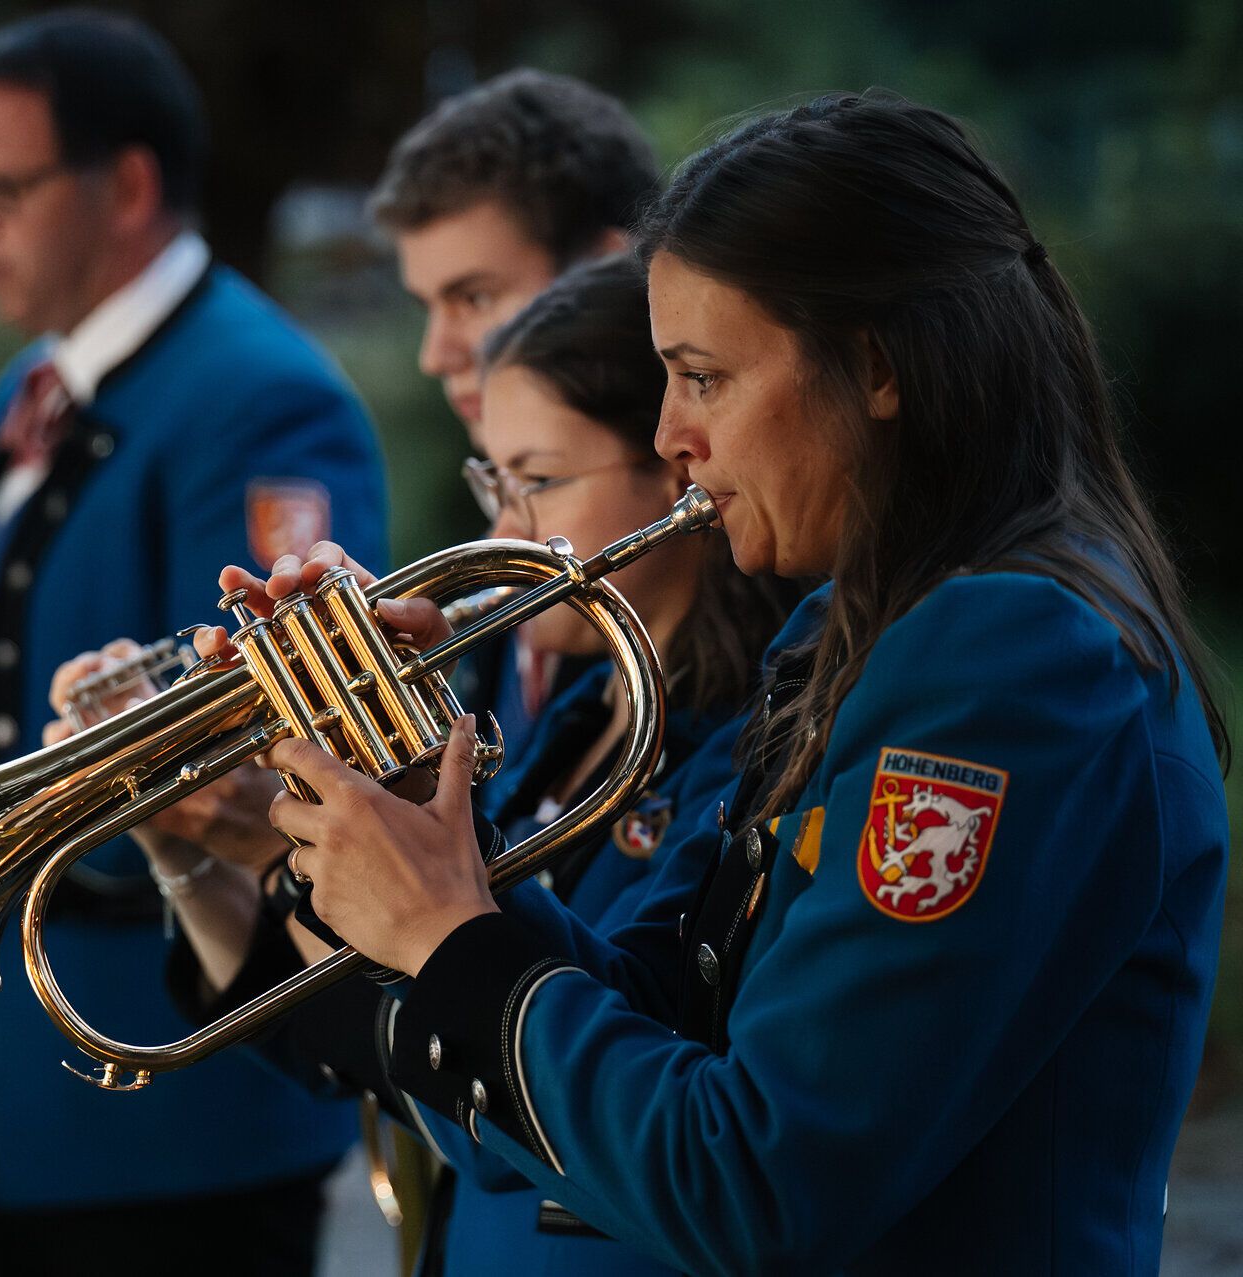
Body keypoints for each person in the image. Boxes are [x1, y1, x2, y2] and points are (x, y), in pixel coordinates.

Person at [224, 92, 1229, 1274]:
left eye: (702, 375)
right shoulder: (859, 623)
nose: (668, 436)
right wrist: (405, 781)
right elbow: (656, 1013)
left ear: (875, 364)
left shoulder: (1012, 659)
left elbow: (763, 1179)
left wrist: (450, 938)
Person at [50, 256, 800, 1274]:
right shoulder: (571, 721)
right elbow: (356, 1032)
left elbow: (514, 1044)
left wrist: (339, 848)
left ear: (681, 470)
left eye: (538, 481)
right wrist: (201, 834)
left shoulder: (738, 747)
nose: (504, 532)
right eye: (495, 482)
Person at [0, 12, 387, 1276]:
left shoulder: (263, 392)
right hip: (10, 1063)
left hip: (171, 1112)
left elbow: (271, 737)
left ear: (127, 187)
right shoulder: (30, 389)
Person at [369, 68, 660, 735]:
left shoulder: (653, 566)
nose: (435, 355)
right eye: (428, 307)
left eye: (474, 298)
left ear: (605, 274)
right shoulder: (499, 557)